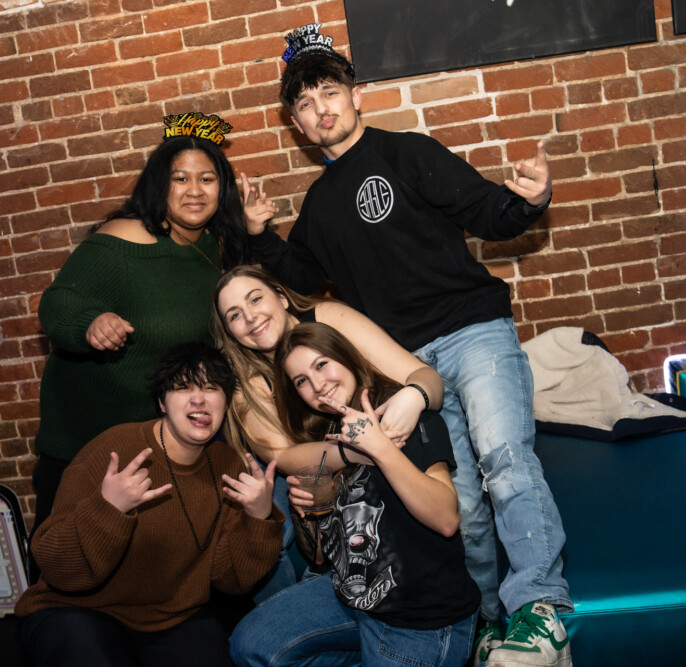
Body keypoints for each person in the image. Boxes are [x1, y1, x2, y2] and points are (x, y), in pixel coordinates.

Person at [239, 25, 572, 667]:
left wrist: (530, 204)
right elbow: (301, 281)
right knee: (463, 502)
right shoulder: (319, 205)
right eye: (305, 106)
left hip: (473, 330)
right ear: (297, 124)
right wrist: (260, 237)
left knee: (504, 455)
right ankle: (483, 622)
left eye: (329, 93)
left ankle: (540, 610)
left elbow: (485, 209)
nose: (321, 111)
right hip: (406, 363)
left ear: (356, 95)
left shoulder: (407, 153)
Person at [31, 112, 249, 534]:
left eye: (207, 179)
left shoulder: (211, 247)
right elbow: (57, 304)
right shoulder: (124, 239)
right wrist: (90, 322)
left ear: (222, 189)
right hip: (87, 449)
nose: (194, 190)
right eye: (179, 178)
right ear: (158, 184)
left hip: (163, 446)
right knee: (66, 567)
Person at [16, 342, 283, 667]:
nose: (198, 398)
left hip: (171, 618)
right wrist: (108, 508)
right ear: (161, 403)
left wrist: (258, 517)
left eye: (211, 388)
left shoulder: (228, 465)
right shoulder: (113, 451)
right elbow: (58, 568)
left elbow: (230, 580)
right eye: (183, 387)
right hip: (79, 611)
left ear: (225, 403)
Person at [230, 322, 480, 667]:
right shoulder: (331, 430)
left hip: (420, 619)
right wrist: (316, 509)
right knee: (251, 643)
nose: (317, 385)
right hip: (355, 597)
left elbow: (446, 519)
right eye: (301, 381)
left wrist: (379, 447)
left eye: (321, 365)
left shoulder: (399, 414)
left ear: (346, 356)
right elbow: (320, 558)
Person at [212, 264, 444, 475]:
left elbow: (422, 375)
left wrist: (415, 396)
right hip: (339, 480)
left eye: (255, 299)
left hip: (404, 434)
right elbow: (282, 457)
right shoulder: (249, 386)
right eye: (234, 315)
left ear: (281, 297)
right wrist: (353, 450)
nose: (250, 316)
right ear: (230, 334)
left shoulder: (327, 319)